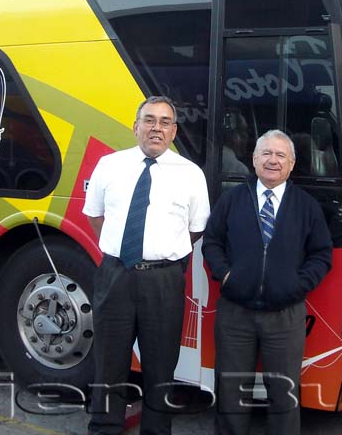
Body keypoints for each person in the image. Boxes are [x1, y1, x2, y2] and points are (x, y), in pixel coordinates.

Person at [83, 95, 210, 435]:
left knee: (160, 368)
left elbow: (196, 228)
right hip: (115, 276)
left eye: (165, 122)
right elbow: (96, 216)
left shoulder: (191, 174)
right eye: (150, 120)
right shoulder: (109, 166)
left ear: (174, 131)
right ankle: (104, 428)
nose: (157, 128)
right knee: (109, 364)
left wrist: (159, 253)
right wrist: (125, 251)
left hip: (163, 282)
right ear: (135, 126)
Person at [202, 129, 332, 435]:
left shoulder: (307, 206)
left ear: (291, 164)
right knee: (231, 394)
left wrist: (297, 286)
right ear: (254, 159)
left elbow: (321, 255)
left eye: (280, 155)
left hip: (285, 317)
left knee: (284, 396)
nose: (272, 161)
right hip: (235, 314)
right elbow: (212, 243)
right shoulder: (232, 199)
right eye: (266, 154)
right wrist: (228, 275)